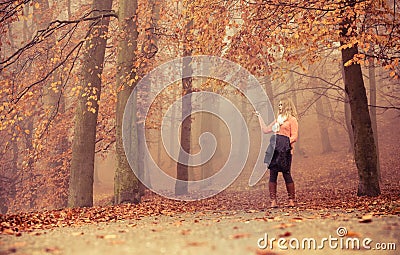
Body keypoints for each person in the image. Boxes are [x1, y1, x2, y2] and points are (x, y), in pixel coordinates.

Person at [256, 98, 299, 208]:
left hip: (286, 150)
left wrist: (284, 143)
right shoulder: (277, 120)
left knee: (286, 173)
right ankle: (273, 201)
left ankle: (291, 200)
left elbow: (294, 136)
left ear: (286, 105)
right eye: (279, 105)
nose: (279, 106)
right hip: (274, 150)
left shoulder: (292, 120)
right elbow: (265, 130)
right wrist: (259, 116)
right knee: (273, 174)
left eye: (281, 104)